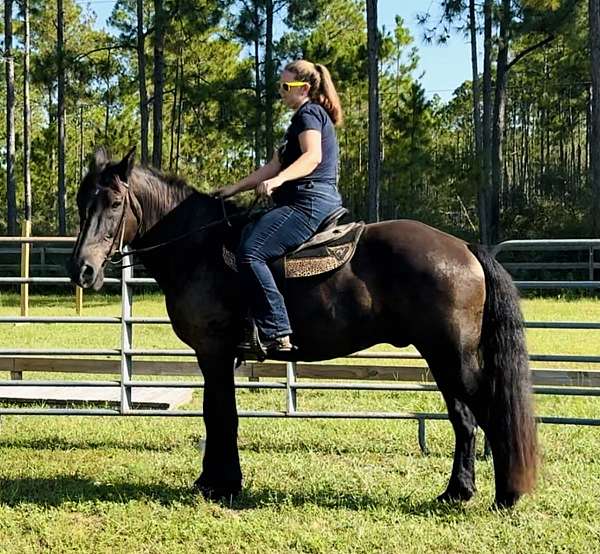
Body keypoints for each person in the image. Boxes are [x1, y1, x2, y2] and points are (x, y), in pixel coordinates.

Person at [213, 60, 344, 355]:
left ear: (305, 88)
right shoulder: (297, 122)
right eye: (280, 86)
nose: (281, 92)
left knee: (251, 254)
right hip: (305, 200)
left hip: (308, 202)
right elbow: (271, 167)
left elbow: (312, 157)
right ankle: (248, 323)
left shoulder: (309, 113)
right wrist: (234, 188)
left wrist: (279, 181)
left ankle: (277, 330)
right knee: (244, 236)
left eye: (286, 87)